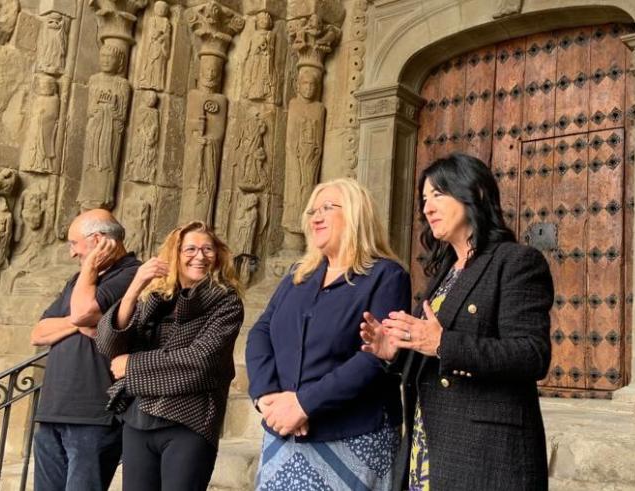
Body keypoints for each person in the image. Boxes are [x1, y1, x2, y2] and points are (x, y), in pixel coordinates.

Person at [360, 153, 554, 491]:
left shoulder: (516, 262)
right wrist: (395, 352)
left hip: (487, 455)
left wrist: (442, 343)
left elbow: (532, 354)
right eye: (423, 199)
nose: (427, 208)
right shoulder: (445, 272)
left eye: (438, 194)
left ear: (475, 193)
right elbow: (433, 357)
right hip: (429, 443)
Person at [247, 178, 410, 490]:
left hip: (354, 435)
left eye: (326, 208)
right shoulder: (299, 274)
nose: (316, 217)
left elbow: (376, 358)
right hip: (285, 433)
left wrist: (304, 404)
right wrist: (266, 397)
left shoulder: (386, 276)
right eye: (312, 211)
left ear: (355, 214)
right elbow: (261, 331)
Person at [95, 221, 244, 491]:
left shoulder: (226, 302)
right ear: (174, 255)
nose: (199, 256)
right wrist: (135, 287)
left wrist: (132, 364)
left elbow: (200, 362)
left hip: (189, 421)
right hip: (139, 418)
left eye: (207, 249)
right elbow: (108, 345)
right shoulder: (155, 297)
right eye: (190, 249)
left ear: (218, 255)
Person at [30, 209, 140, 491]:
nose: (71, 253)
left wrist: (89, 270)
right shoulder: (77, 281)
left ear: (99, 240)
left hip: (94, 415)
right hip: (53, 411)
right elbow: (38, 333)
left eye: (73, 244)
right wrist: (78, 323)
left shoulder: (131, 274)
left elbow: (83, 312)